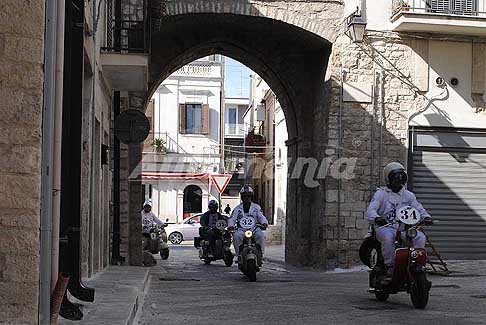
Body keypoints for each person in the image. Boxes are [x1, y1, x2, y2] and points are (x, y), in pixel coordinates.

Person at [367, 162, 432, 278]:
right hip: (384, 228)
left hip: (402, 228)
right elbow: (371, 210)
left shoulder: (408, 195)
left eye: (401, 176)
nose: (399, 179)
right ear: (389, 178)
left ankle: (417, 263)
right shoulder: (381, 194)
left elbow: (418, 207)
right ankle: (389, 266)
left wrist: (426, 217)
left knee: (420, 236)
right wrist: (377, 218)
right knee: (388, 237)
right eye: (396, 176)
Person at [228, 185, 268, 256]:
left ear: (251, 197)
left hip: (254, 228)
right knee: (236, 236)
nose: (247, 198)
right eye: (244, 196)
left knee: (261, 235)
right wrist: (230, 225)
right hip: (241, 229)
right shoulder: (237, 209)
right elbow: (232, 218)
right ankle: (239, 254)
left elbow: (261, 216)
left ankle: (261, 254)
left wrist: (264, 223)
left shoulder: (256, 207)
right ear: (242, 198)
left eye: (249, 196)